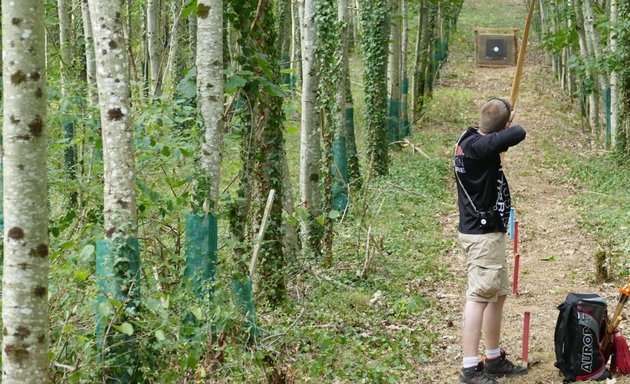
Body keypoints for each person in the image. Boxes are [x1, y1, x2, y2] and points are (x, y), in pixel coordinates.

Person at [454, 98, 527, 384]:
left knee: (497, 294)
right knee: (479, 296)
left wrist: (501, 128)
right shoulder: (480, 147)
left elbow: (501, 140)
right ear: (500, 128)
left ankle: (493, 358)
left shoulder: (469, 137)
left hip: (487, 233)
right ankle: (470, 368)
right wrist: (508, 127)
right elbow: (518, 132)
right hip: (481, 235)